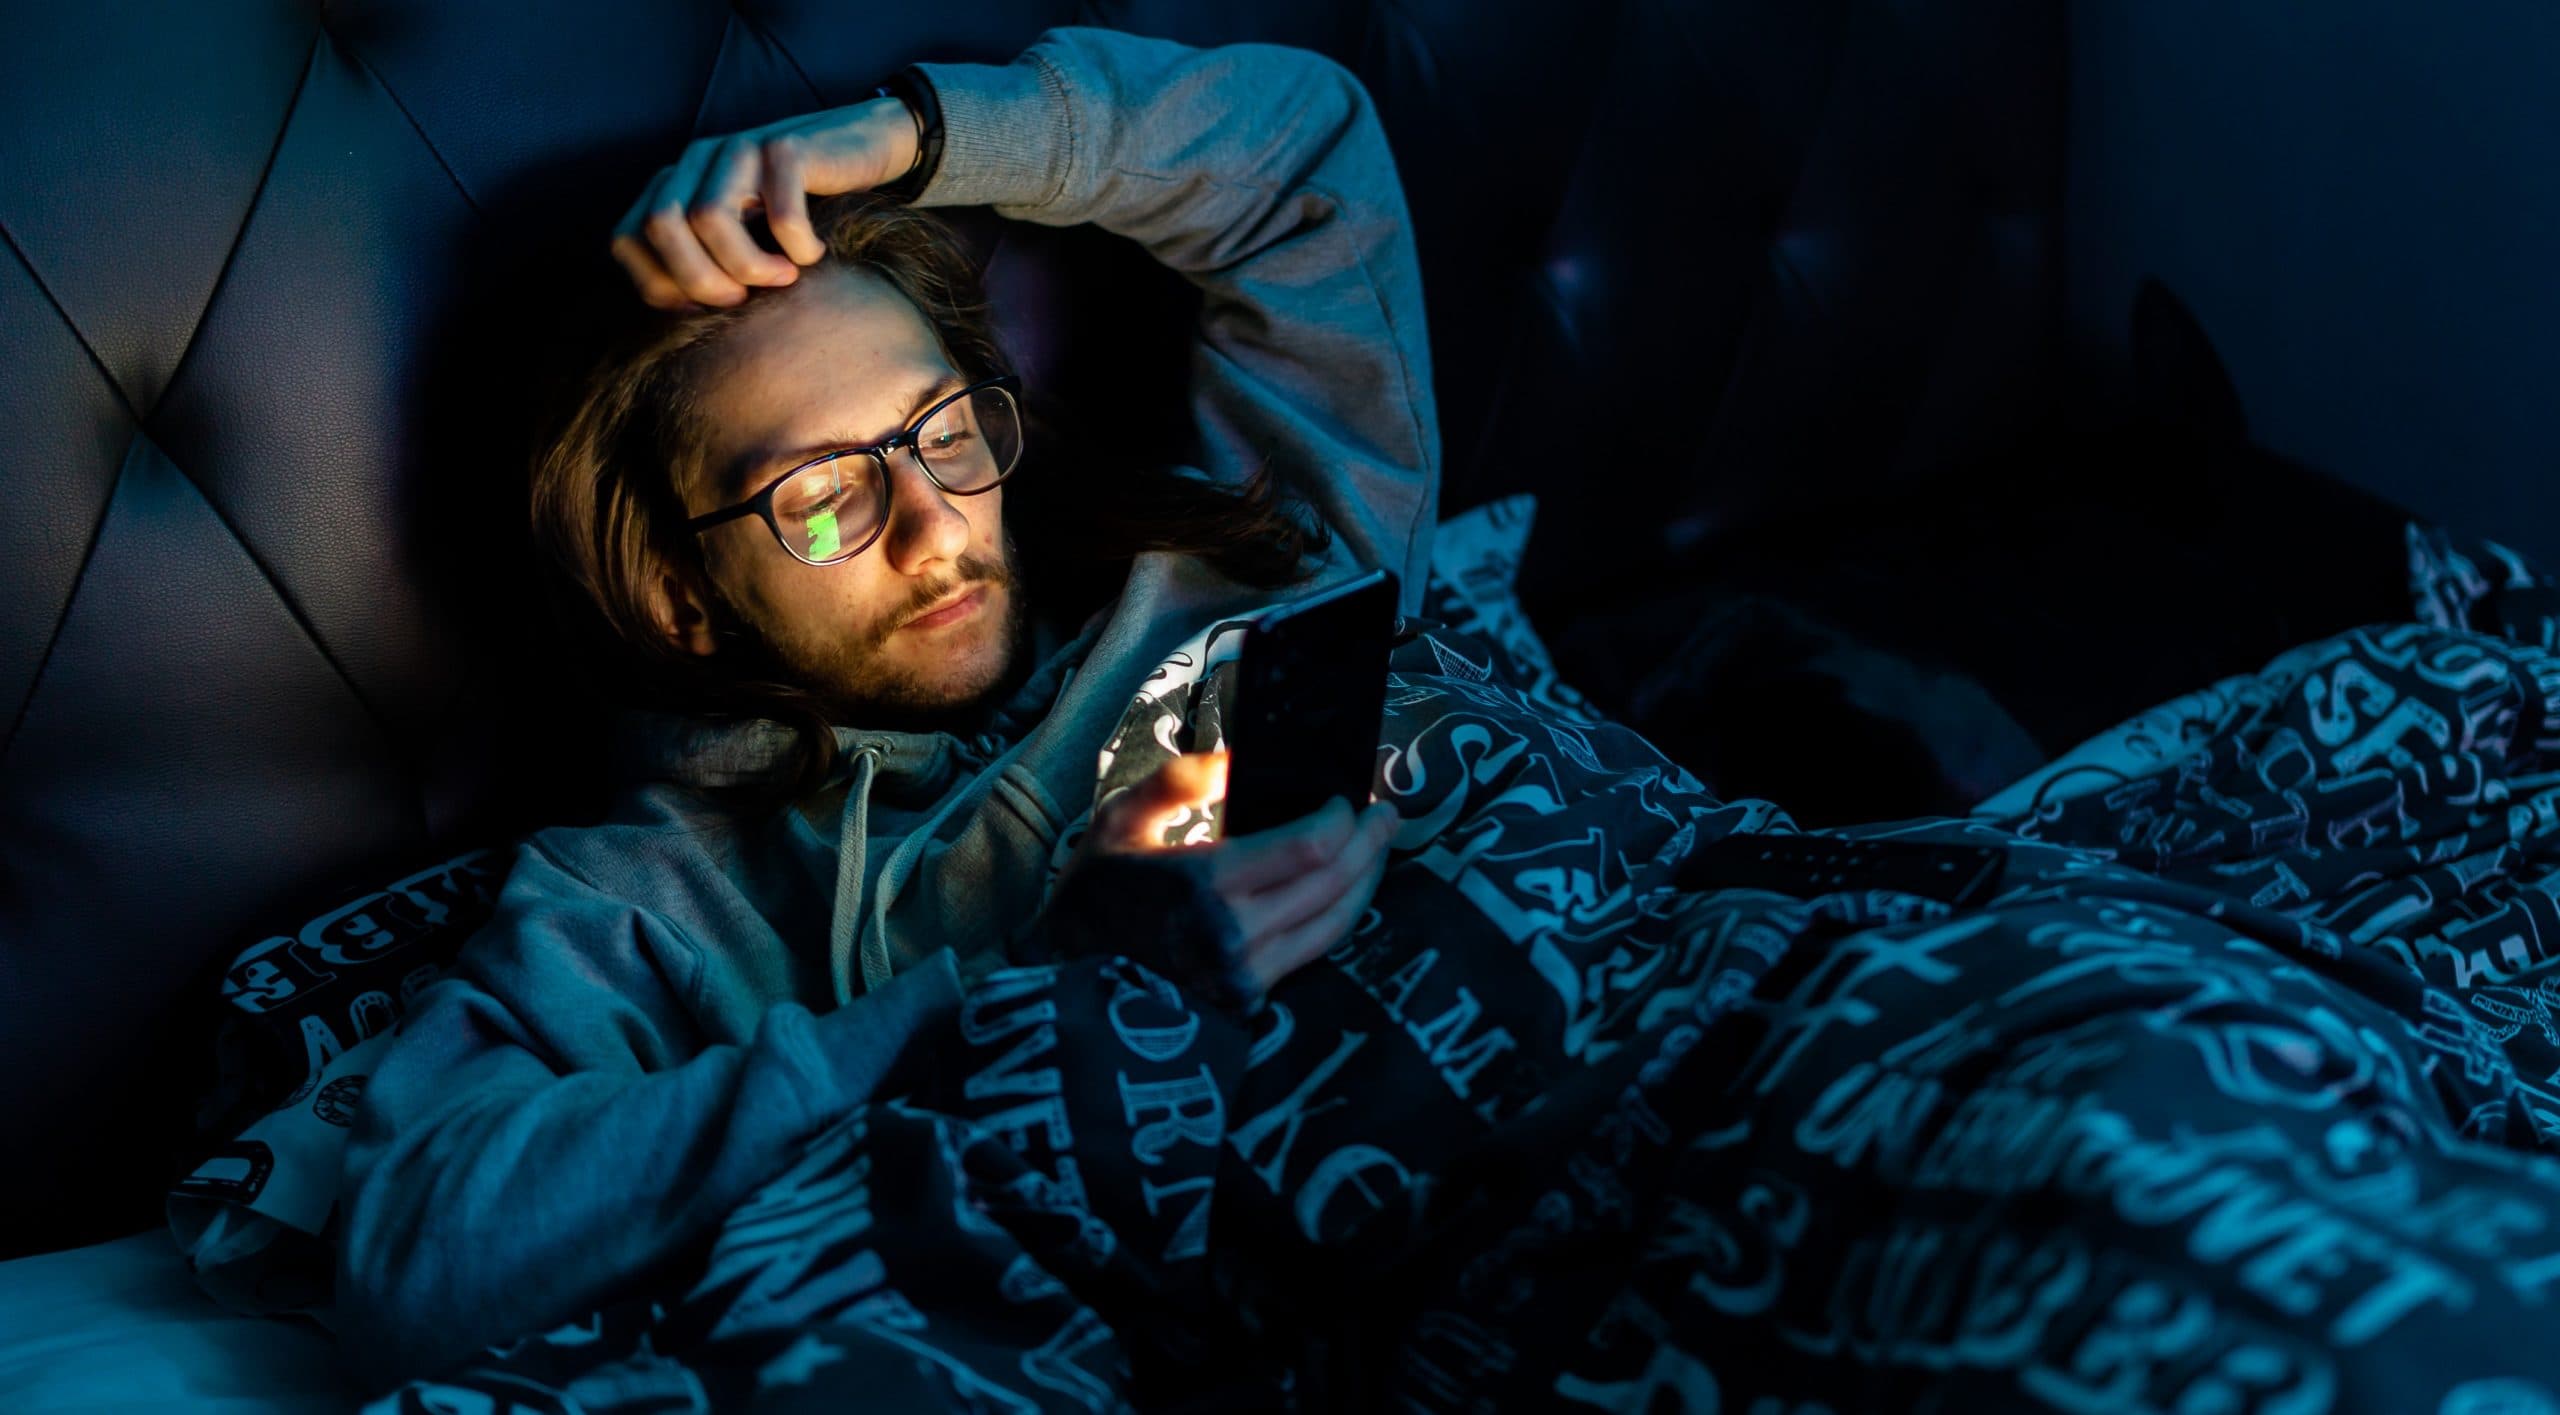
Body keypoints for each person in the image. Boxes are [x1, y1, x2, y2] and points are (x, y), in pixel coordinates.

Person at [333, 25, 1431, 1385]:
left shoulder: (1239, 574)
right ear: (687, 598)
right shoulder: (667, 892)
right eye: (819, 494)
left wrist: (907, 143)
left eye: (942, 433)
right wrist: (1004, 996)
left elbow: (1311, 157)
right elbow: (410, 1248)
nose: (932, 528)